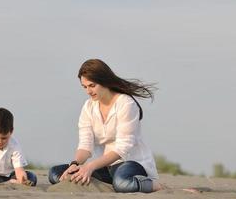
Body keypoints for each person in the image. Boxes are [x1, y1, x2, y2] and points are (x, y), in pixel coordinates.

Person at [48, 59, 161, 193]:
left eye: (92, 85)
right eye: (84, 87)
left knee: (122, 183)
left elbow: (122, 149)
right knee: (56, 174)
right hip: (105, 167)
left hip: (132, 163)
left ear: (104, 81)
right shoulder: (88, 107)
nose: (88, 91)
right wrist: (75, 164)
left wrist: (90, 167)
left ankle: (155, 185)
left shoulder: (126, 104)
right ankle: (108, 184)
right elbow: (85, 145)